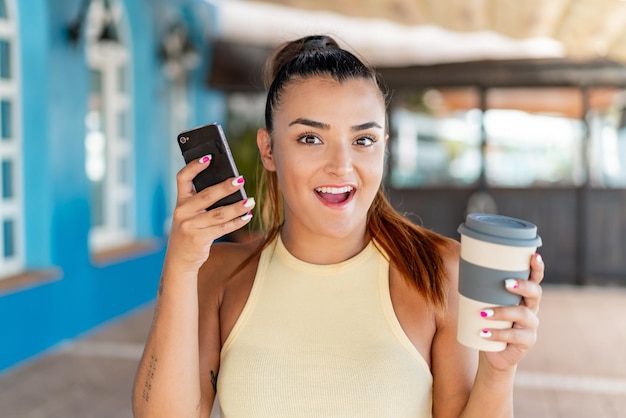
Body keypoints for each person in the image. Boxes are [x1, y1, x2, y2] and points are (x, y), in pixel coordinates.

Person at [132, 34, 544, 418]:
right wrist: (181, 264)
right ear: (268, 149)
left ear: (385, 147)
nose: (341, 166)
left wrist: (498, 371)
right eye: (310, 138)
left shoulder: (440, 272)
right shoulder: (218, 275)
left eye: (363, 140)